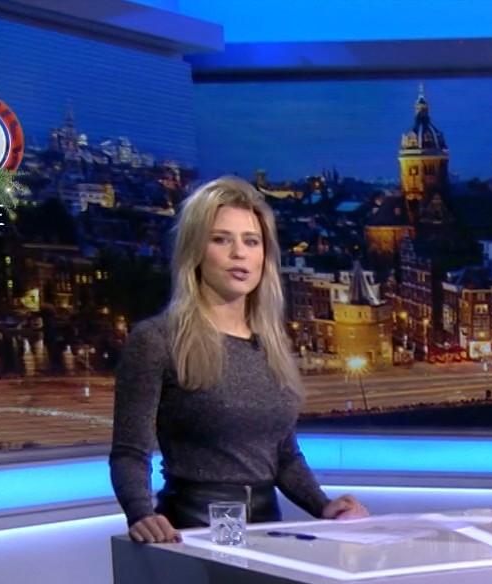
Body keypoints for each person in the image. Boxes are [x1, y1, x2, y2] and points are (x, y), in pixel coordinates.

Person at [111, 176, 367, 542]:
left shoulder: (272, 343)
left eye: (251, 241)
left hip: (266, 528)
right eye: (221, 239)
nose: (239, 253)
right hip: (193, 526)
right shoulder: (157, 339)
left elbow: (282, 453)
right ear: (195, 250)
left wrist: (323, 505)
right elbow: (129, 451)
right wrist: (141, 513)